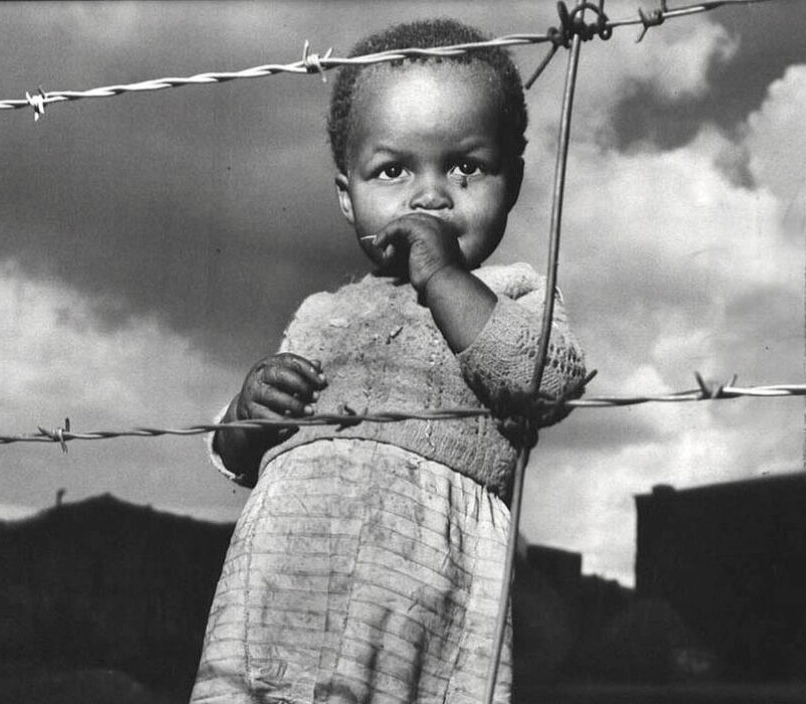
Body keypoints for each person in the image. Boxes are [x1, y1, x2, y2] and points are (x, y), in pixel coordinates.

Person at [190, 18, 587, 704]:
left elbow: (542, 379)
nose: (430, 195)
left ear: (512, 181)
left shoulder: (512, 293)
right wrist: (247, 411)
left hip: (421, 601)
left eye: (466, 166)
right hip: (279, 593)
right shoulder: (320, 312)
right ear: (348, 197)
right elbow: (234, 453)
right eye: (392, 170)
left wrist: (440, 275)